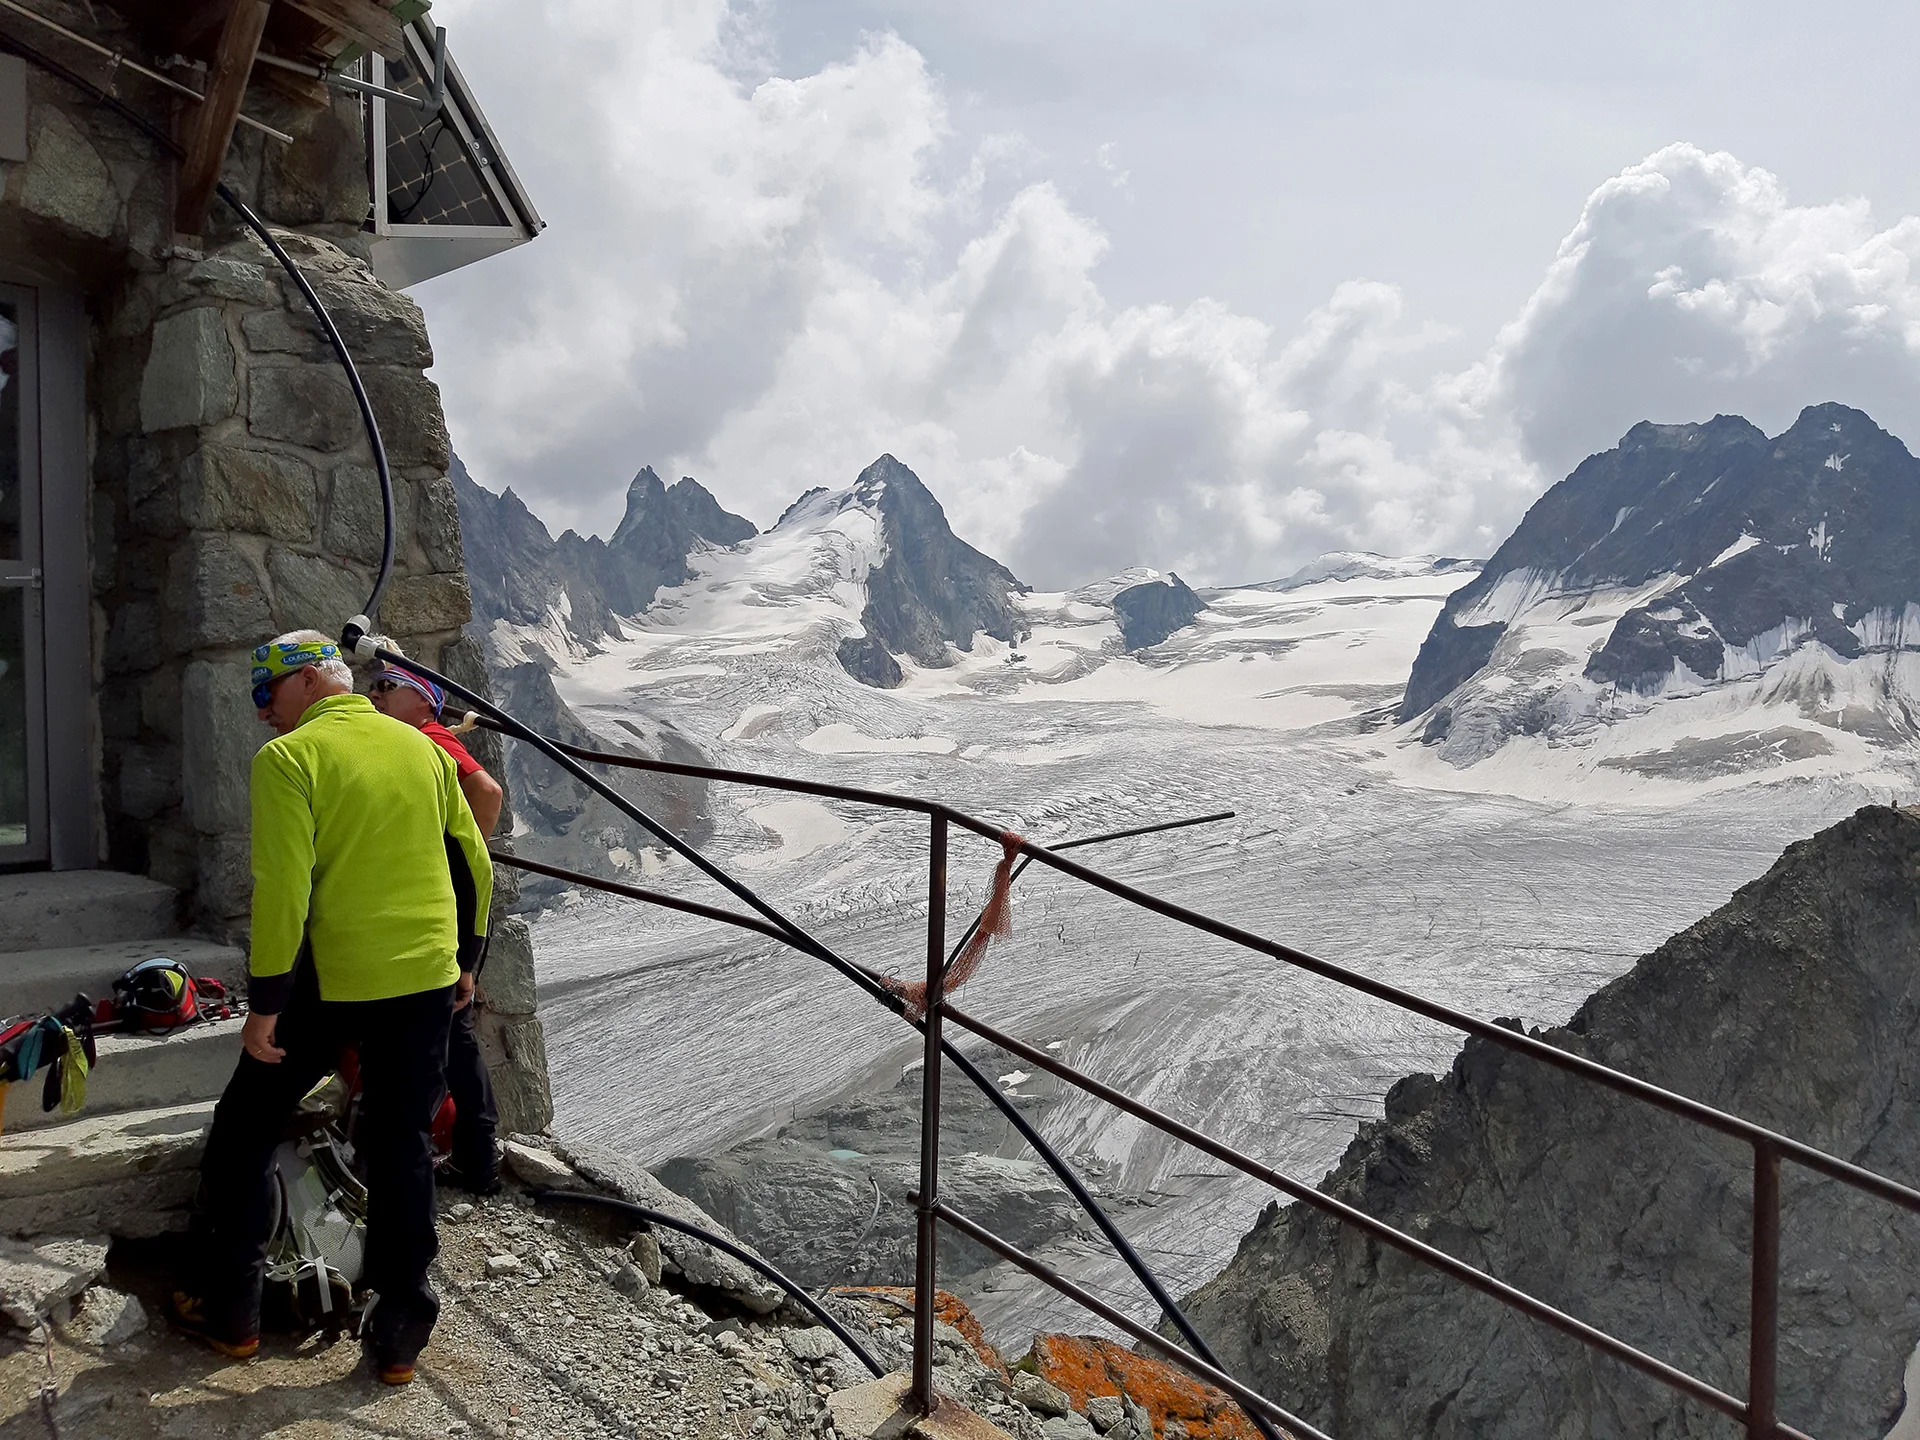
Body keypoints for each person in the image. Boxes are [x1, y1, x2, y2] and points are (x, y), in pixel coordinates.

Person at [172, 631, 493, 1386]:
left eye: (265, 695)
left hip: (332, 979)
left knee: (244, 1127)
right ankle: (401, 1340)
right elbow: (473, 857)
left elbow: (283, 892)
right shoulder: (421, 747)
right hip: (424, 978)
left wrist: (265, 1007)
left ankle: (234, 1315)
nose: (260, 715)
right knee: (404, 1142)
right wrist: (467, 964)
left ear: (310, 681)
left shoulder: (287, 760)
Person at [366, 651, 504, 1194]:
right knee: (453, 1033)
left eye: (387, 686)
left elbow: (487, 793)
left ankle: (471, 1157)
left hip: (446, 909)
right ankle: (475, 1155)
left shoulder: (427, 740)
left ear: (424, 700)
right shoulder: (424, 741)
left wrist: (458, 848)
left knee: (451, 1033)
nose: (374, 694)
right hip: (453, 908)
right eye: (374, 686)